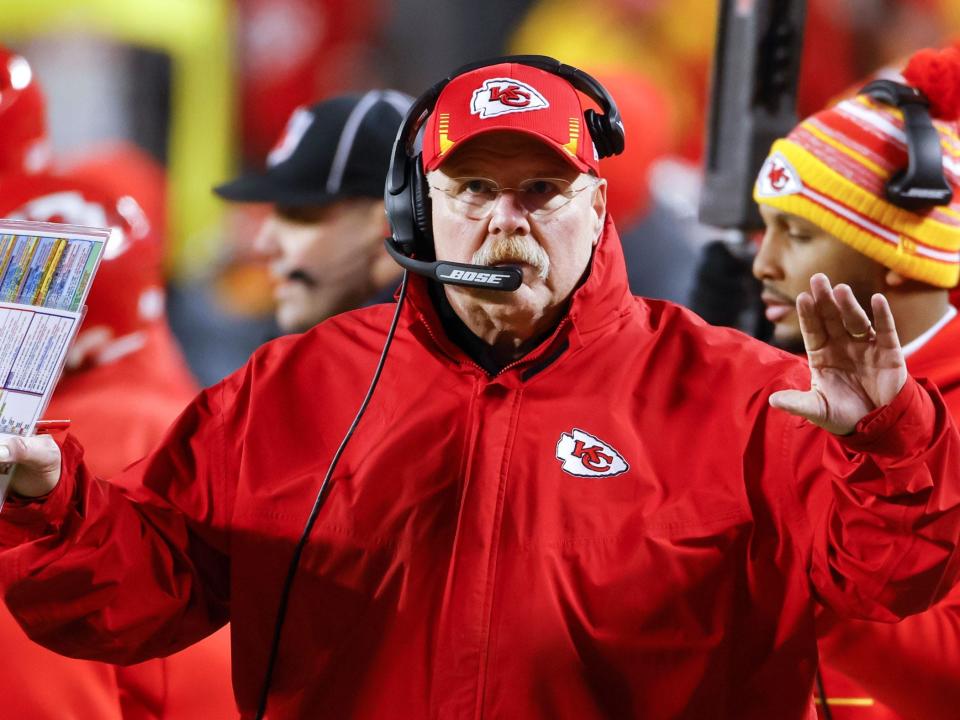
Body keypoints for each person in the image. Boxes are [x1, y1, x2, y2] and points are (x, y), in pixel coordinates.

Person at [2, 57, 960, 720]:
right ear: (417, 209)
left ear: (597, 208)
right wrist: (50, 503)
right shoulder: (290, 389)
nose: (508, 221)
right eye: (472, 190)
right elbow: (143, 597)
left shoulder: (744, 396)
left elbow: (889, 589)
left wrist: (890, 439)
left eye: (542, 191)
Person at [752, 46, 960, 720]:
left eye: (797, 233)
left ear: (897, 259)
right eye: (766, 228)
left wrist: (771, 566)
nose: (764, 261)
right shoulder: (774, 381)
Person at [214, 90, 412, 333]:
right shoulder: (289, 347)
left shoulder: (432, 360)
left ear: (392, 223)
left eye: (298, 215)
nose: (263, 244)